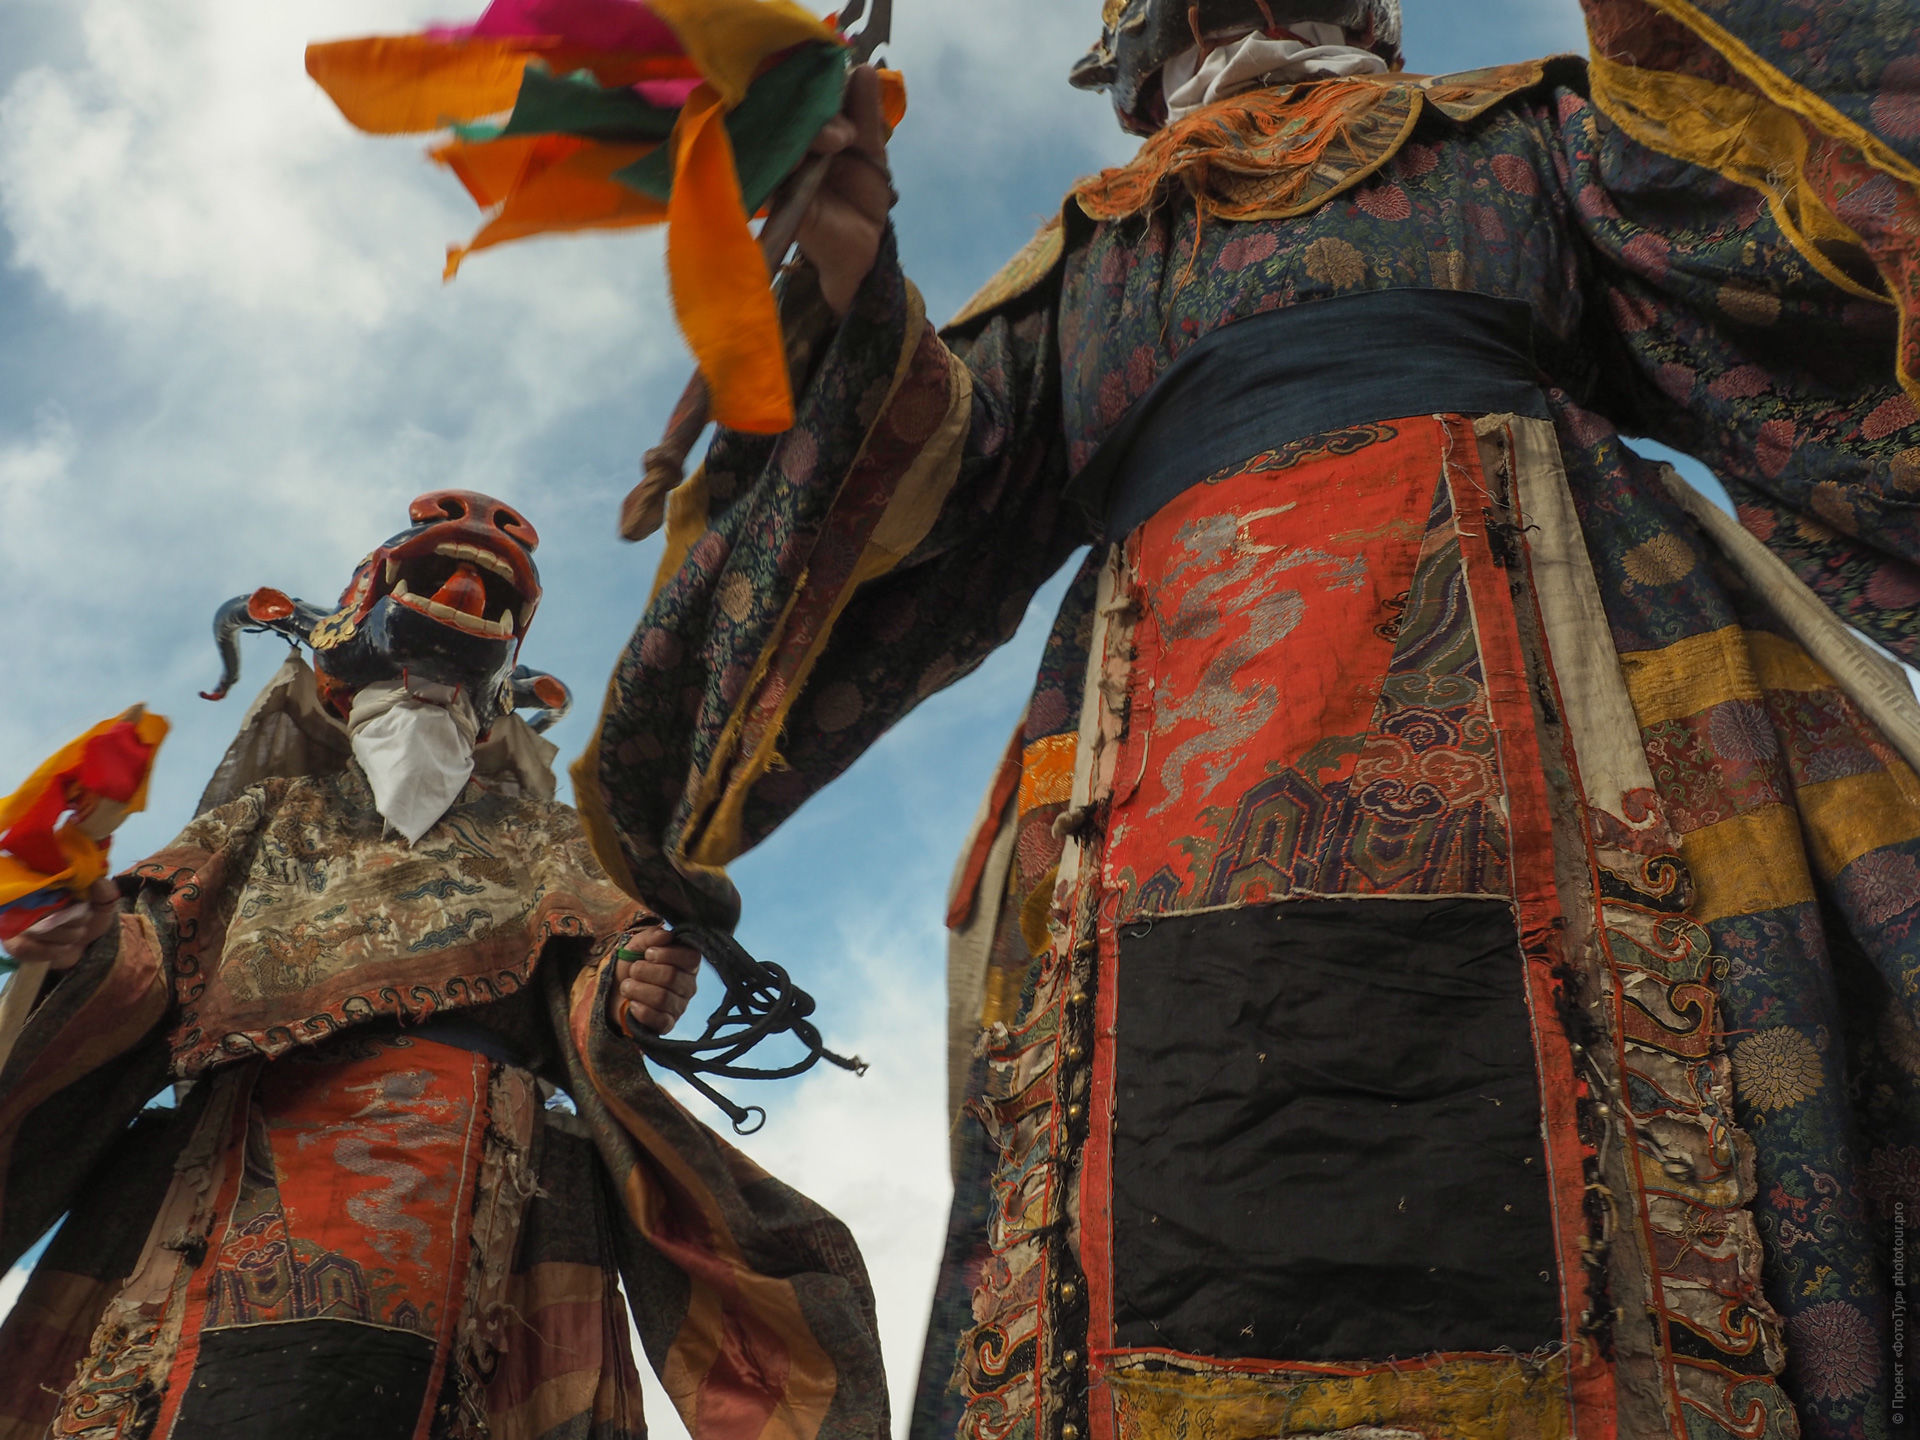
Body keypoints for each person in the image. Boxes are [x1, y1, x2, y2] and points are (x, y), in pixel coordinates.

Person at [575, 1, 1920, 1437]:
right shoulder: (1094, 250)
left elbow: (1801, 236)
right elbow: (937, 489)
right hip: (1171, 731)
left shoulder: (1530, 130)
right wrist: (849, 263)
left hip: (1570, 649)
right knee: (1178, 1166)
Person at [0, 490, 888, 1440]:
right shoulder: (259, 825)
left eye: (454, 685)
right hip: (236, 1167)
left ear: (488, 706)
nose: (431, 695)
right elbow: (143, 958)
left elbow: (606, 963)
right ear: (345, 690)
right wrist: (81, 935)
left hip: (490, 1187)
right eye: (410, 672)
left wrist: (634, 982)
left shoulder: (550, 842)